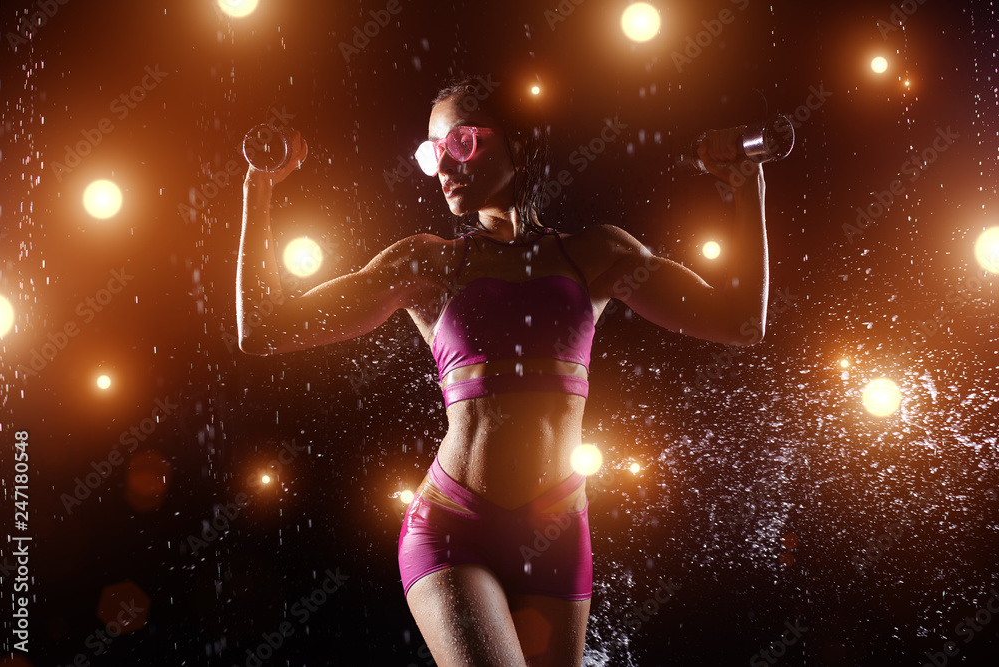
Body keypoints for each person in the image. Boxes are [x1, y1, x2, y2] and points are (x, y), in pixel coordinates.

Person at [237, 75, 768, 667]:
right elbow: (262, 328)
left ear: (519, 141)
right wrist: (258, 188)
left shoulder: (597, 254)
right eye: (431, 152)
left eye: (461, 142)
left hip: (560, 532)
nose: (444, 164)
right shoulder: (429, 263)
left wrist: (749, 186)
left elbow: (741, 320)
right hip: (454, 528)